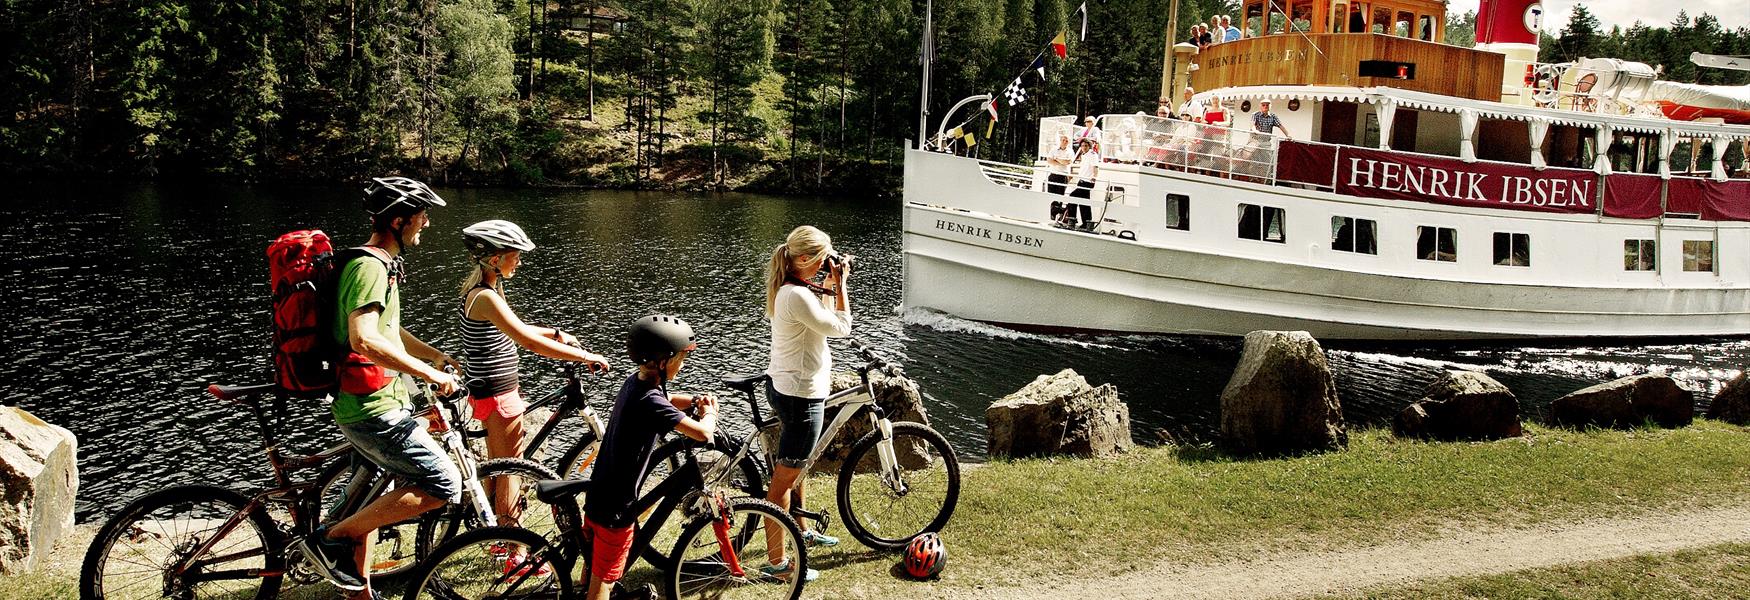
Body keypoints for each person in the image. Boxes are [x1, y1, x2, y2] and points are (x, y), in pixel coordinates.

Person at [299, 177, 463, 600]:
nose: (426, 223)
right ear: (399, 220)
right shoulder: (370, 266)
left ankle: (360, 592)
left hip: (364, 402)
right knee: (444, 484)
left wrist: (432, 356)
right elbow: (365, 340)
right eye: (422, 216)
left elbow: (389, 330)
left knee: (371, 496)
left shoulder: (377, 263)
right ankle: (330, 538)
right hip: (372, 408)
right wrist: (431, 376)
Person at [457, 220, 611, 530]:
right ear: (496, 259)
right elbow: (526, 342)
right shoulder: (485, 297)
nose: (519, 261)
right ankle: (511, 544)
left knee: (500, 464)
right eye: (515, 255)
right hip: (500, 394)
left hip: (489, 389)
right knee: (510, 470)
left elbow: (516, 329)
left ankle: (490, 528)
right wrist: (585, 356)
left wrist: (557, 334)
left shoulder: (484, 291)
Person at [583, 315, 719, 600]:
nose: (682, 364)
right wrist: (710, 413)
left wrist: (694, 401)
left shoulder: (637, 383)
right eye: (681, 358)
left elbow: (667, 401)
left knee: (595, 562)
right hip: (617, 506)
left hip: (600, 492)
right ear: (663, 361)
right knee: (604, 581)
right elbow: (702, 434)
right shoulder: (650, 402)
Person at [762, 225, 851, 577]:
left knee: (796, 468)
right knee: (783, 481)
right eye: (822, 259)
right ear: (803, 259)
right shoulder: (796, 296)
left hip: (791, 387)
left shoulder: (795, 288)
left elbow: (822, 318)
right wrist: (841, 286)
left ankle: (801, 531)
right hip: (800, 397)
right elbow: (841, 327)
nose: (826, 264)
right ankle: (778, 564)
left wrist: (829, 286)